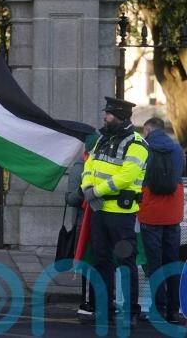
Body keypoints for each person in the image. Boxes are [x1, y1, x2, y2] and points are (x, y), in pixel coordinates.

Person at [80, 97, 148, 327]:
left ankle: (130, 312)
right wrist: (87, 187)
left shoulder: (137, 143)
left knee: (126, 262)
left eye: (108, 114)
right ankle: (104, 309)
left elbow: (127, 176)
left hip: (121, 213)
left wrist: (96, 191)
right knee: (101, 261)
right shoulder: (102, 140)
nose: (104, 117)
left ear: (120, 116)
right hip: (99, 209)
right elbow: (89, 165)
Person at [138, 117, 185, 323]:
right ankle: (173, 311)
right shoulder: (177, 149)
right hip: (173, 212)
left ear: (147, 130)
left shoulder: (144, 148)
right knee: (172, 260)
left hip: (151, 212)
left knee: (154, 263)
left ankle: (158, 308)